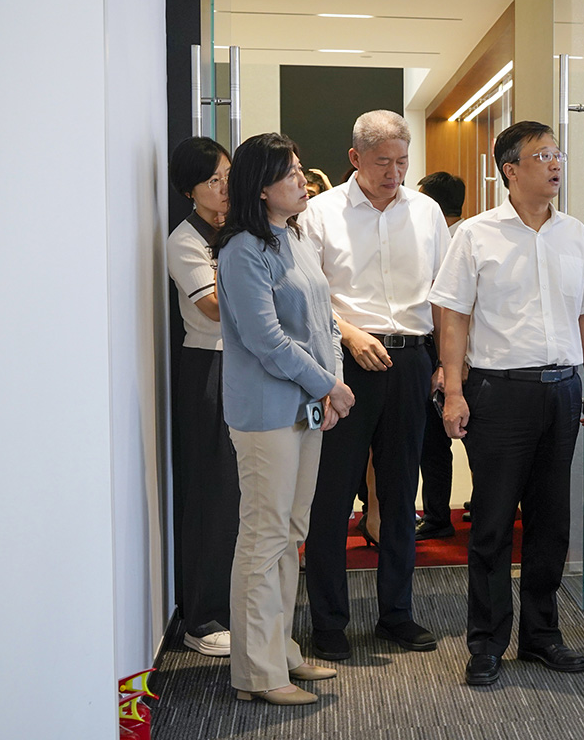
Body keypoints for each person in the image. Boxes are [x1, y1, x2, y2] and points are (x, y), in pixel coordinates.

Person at [430, 120, 584, 687]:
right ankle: (486, 642)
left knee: (551, 521)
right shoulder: (476, 235)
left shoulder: (575, 234)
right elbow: (453, 317)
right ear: (510, 170)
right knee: (490, 522)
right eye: (542, 155)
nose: (556, 164)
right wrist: (454, 391)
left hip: (562, 392)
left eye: (558, 154)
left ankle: (541, 635)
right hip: (499, 392)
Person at [300, 110, 449, 661]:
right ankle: (329, 622)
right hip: (345, 363)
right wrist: (348, 332)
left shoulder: (426, 211)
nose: (394, 173)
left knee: (399, 492)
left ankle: (396, 614)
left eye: (402, 162)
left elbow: (444, 292)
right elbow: (307, 296)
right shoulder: (320, 213)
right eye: (383, 161)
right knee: (332, 496)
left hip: (411, 360)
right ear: (354, 158)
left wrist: (444, 362)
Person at [215, 132, 355, 706]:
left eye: (300, 168)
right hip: (266, 412)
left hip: (306, 404)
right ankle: (256, 672)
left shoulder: (293, 236)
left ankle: (280, 650)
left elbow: (324, 322)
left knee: (291, 533)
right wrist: (329, 386)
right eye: (290, 172)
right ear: (260, 186)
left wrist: (330, 387)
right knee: (264, 537)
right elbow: (266, 340)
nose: (303, 179)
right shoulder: (241, 249)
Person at [167, 136, 239, 657]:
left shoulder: (235, 231)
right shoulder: (184, 240)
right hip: (209, 366)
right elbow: (212, 307)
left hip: (246, 364)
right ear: (189, 190)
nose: (224, 188)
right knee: (213, 495)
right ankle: (202, 618)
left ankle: (236, 608)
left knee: (244, 498)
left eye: (228, 177)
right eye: (213, 180)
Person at [413, 171, 467, 541]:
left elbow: (447, 313)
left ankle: (437, 517)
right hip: (457, 355)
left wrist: (445, 364)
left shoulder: (452, 243)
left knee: (434, 443)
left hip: (448, 354)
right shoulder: (463, 236)